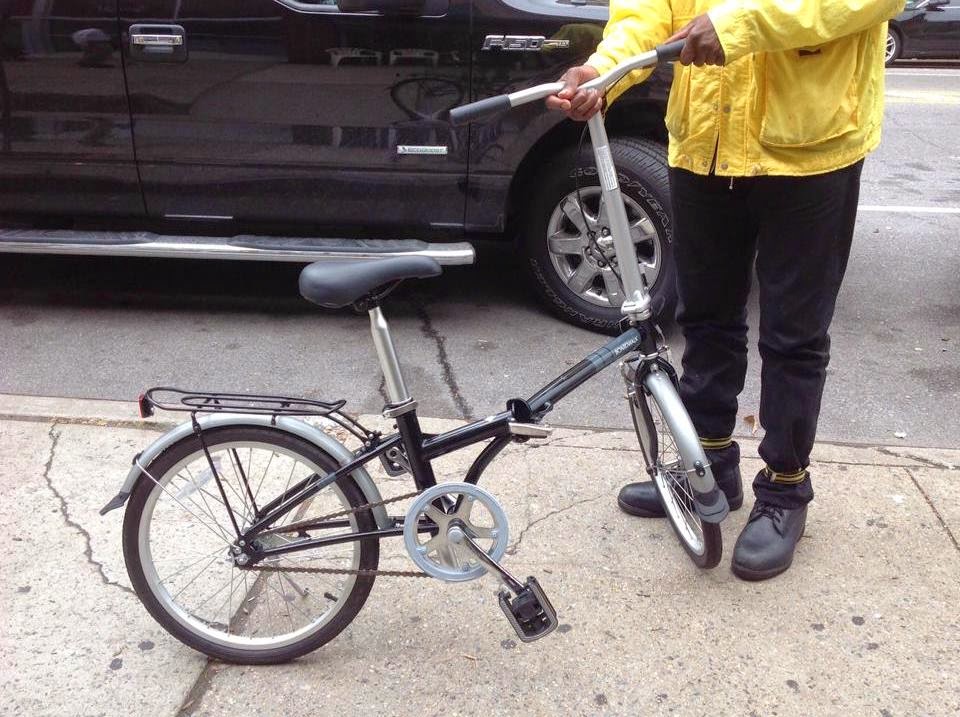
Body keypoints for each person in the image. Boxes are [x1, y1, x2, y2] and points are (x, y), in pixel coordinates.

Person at [547, 0, 904, 580]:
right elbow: (647, 11)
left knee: (794, 335)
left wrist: (740, 26)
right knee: (706, 318)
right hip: (706, 141)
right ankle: (708, 465)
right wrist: (605, 70)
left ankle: (786, 490)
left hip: (809, 149)